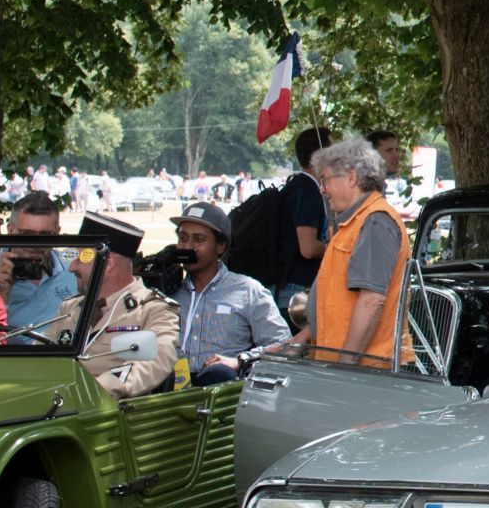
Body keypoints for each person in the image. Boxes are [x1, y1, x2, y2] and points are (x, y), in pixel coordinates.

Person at [290, 139, 411, 367]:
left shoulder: (375, 222)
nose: (322, 189)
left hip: (364, 373)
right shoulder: (353, 223)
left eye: (325, 180)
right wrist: (303, 338)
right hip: (344, 369)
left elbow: (371, 300)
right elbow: (338, 301)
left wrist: (345, 363)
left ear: (351, 178)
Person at [58, 212, 178, 398]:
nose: (72, 267)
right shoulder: (69, 308)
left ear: (107, 263)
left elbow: (153, 362)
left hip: (113, 413)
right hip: (56, 410)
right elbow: (40, 360)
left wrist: (93, 391)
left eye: (80, 258)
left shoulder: (152, 309)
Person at [170, 202, 290, 385]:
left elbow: (284, 345)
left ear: (220, 246)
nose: (188, 247)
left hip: (222, 392)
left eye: (199, 240)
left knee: (219, 374)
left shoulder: (247, 290)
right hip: (169, 392)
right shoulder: (167, 291)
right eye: (183, 238)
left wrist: (240, 361)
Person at [0, 191, 79, 340]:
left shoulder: (73, 269)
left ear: (57, 234)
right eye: (26, 235)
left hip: (61, 356)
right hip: (11, 358)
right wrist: (2, 295)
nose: (35, 244)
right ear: (10, 231)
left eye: (45, 236)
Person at [275, 127, 331, 315]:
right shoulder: (307, 192)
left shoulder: (299, 187)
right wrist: (335, 245)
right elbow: (308, 249)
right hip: (295, 294)